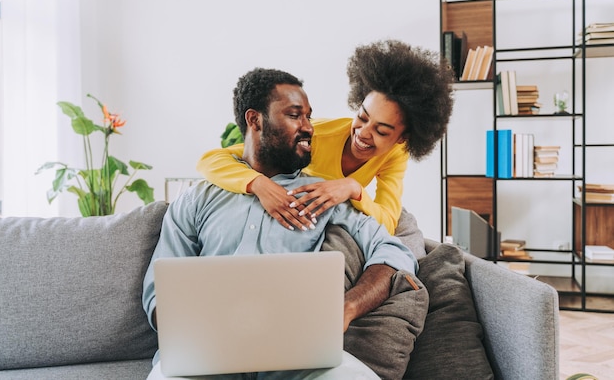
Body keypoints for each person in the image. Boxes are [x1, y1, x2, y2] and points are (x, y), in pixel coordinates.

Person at [142, 68, 419, 380]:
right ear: (255, 120)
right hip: (204, 361)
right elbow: (157, 292)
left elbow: (394, 252)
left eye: (309, 117)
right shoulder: (197, 199)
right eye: (294, 116)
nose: (309, 128)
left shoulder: (322, 193)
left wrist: (348, 307)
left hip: (299, 361)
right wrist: (195, 334)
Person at [197, 40, 454, 235]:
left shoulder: (395, 155)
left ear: (401, 138)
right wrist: (259, 185)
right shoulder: (316, 133)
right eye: (362, 117)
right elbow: (210, 160)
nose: (363, 134)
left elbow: (388, 220)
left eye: (382, 131)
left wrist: (353, 189)